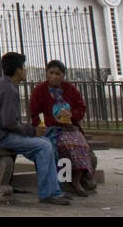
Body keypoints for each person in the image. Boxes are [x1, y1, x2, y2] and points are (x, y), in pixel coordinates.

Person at [0, 51, 71, 205]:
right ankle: (49, 192)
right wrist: (32, 131)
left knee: (43, 144)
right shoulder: (8, 89)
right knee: (44, 146)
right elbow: (9, 123)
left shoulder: (3, 84)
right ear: (18, 70)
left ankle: (54, 188)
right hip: (1, 137)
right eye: (24, 67)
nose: (26, 70)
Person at [29, 59, 96, 196]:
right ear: (46, 74)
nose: (54, 76)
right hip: (50, 129)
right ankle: (62, 181)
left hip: (70, 128)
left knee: (81, 144)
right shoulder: (39, 91)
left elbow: (81, 107)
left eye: (58, 74)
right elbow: (35, 115)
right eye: (51, 73)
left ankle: (77, 179)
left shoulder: (70, 89)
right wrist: (54, 119)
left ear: (63, 75)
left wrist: (71, 115)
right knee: (64, 145)